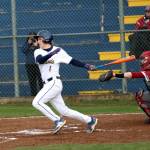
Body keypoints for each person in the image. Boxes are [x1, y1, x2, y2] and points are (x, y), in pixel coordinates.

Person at [32, 30, 98, 134]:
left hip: (54, 82)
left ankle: (57, 120)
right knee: (64, 111)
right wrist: (53, 53)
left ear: (45, 39)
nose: (37, 41)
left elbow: (72, 61)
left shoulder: (59, 51)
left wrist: (87, 66)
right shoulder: (38, 51)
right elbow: (40, 60)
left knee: (37, 102)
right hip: (48, 84)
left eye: (39, 39)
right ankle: (90, 120)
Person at [99, 51, 150, 123]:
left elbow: (131, 75)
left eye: (143, 60)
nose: (141, 62)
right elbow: (132, 74)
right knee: (140, 95)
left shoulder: (147, 72)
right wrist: (114, 74)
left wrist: (114, 75)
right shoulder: (146, 72)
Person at [22, 32, 43, 96]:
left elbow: (43, 50)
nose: (32, 38)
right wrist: (29, 43)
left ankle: (42, 95)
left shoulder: (39, 43)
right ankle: (34, 95)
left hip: (39, 64)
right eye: (30, 37)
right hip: (29, 64)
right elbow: (23, 50)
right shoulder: (27, 43)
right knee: (32, 80)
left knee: (41, 80)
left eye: (33, 37)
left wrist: (37, 45)